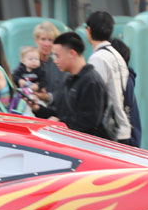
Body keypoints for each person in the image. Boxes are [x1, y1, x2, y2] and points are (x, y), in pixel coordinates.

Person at [30, 32, 108, 138]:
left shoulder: (91, 81)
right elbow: (59, 113)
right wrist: (37, 109)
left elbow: (90, 121)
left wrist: (61, 123)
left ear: (72, 53)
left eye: (57, 56)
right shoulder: (69, 79)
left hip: (87, 148)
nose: (55, 61)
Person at [85, 11, 131, 145]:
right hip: (122, 127)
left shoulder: (98, 58)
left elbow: (95, 98)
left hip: (107, 132)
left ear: (89, 31)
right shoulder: (117, 55)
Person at [33, 21, 65, 104]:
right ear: (36, 40)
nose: (47, 44)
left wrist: (48, 97)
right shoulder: (28, 62)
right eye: (43, 39)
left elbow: (64, 91)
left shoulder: (59, 64)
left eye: (51, 40)